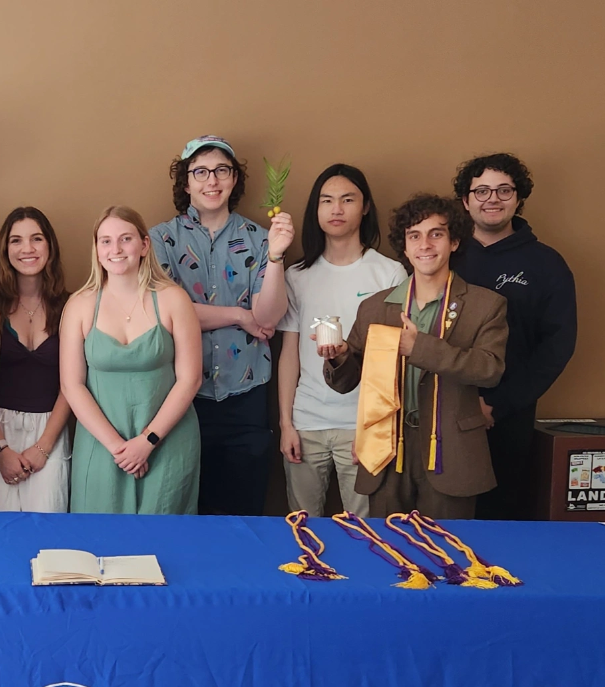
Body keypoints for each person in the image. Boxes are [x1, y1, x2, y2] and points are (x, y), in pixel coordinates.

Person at [321, 195, 508, 518]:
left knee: (447, 555)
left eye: (436, 234)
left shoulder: (486, 305)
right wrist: (337, 357)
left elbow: (489, 369)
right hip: (387, 450)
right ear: (404, 247)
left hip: (451, 452)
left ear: (454, 242)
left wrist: (418, 347)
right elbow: (347, 381)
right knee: (389, 552)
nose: (425, 244)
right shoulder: (375, 307)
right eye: (414, 236)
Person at [150, 136, 294, 515]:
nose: (211, 180)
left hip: (245, 396)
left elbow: (267, 318)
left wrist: (276, 258)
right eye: (200, 172)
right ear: (186, 183)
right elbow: (165, 314)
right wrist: (238, 315)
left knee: (243, 514)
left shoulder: (259, 240)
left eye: (221, 171)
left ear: (233, 181)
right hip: (181, 398)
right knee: (185, 512)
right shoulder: (160, 240)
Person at [452, 153, 578, 520]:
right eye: (482, 190)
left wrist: (497, 405)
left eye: (504, 190)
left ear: (519, 198)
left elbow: (556, 347)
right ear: (466, 200)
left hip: (507, 417)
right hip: (440, 411)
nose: (492, 198)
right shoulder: (444, 256)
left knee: (500, 516)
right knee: (440, 517)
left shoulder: (547, 264)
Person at [278, 165, 406, 516]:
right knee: (302, 528)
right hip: (307, 424)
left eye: (347, 200)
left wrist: (376, 428)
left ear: (364, 207)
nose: (337, 209)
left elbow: (392, 358)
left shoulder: (389, 272)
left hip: (361, 426)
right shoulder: (297, 275)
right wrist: (286, 424)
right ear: (315, 210)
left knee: (367, 530)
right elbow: (289, 354)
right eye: (327, 201)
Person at [61, 206, 202, 515]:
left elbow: (190, 379)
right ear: (97, 250)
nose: (116, 249)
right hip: (101, 445)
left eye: (125, 239)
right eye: (106, 241)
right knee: (98, 544)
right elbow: (72, 386)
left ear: (144, 245)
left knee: (163, 543)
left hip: (167, 442)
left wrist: (147, 442)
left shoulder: (172, 299)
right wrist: (118, 448)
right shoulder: (80, 305)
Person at [0, 207, 72, 513]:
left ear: (50, 247)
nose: (27, 249)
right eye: (16, 241)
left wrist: (44, 447)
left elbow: (73, 384)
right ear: (5, 250)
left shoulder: (71, 306)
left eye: (36, 239)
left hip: (51, 430)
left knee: (48, 533)